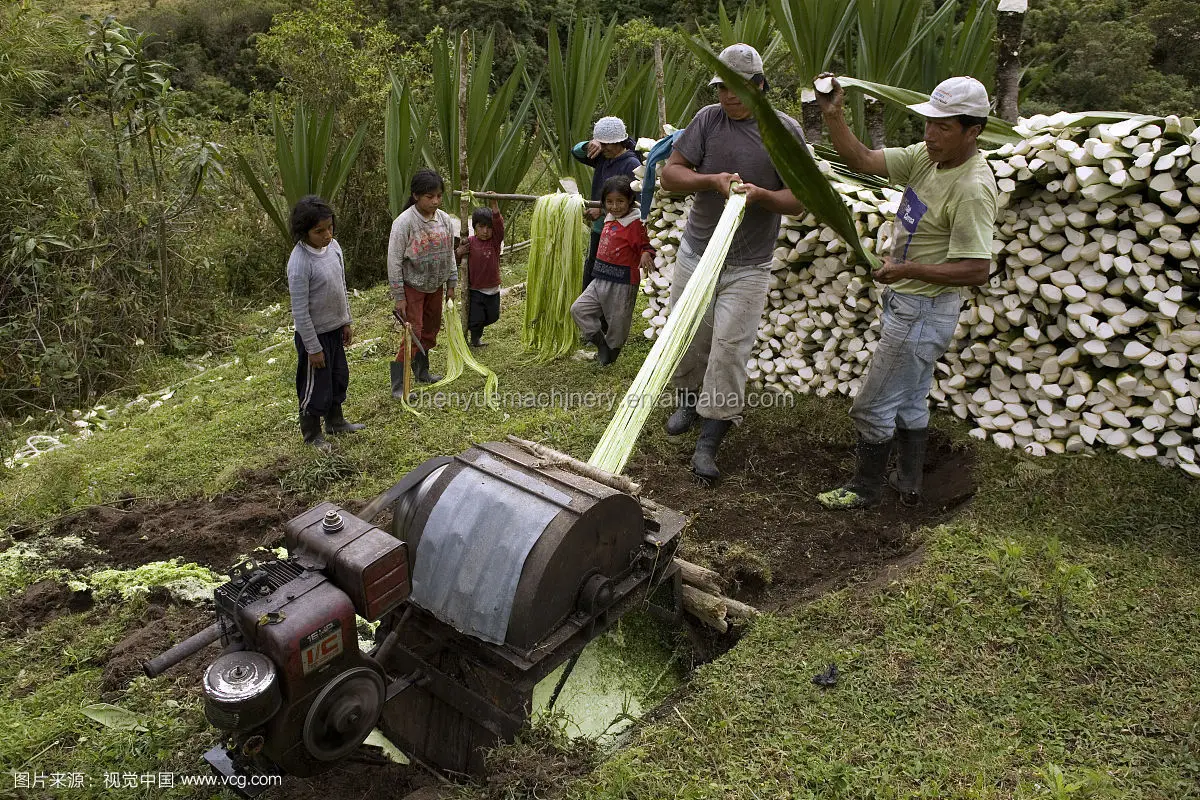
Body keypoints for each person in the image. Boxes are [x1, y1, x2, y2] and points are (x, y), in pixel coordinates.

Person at [813, 75, 998, 509]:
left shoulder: (971, 189)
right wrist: (834, 115)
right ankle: (910, 480)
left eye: (944, 127)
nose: (930, 135)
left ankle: (865, 487)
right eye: (929, 123)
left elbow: (977, 268)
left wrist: (907, 268)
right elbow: (861, 159)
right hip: (911, 301)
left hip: (923, 309)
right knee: (911, 398)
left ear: (973, 132)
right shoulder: (926, 158)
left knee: (871, 406)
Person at [659, 43, 805, 483]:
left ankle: (711, 435)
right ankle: (687, 399)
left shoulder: (784, 131)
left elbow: (798, 200)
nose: (728, 97)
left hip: (748, 264)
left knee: (730, 349)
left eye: (737, 88)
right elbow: (670, 175)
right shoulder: (708, 120)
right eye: (721, 87)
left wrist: (761, 196)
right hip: (697, 253)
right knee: (689, 337)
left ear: (760, 86)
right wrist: (711, 181)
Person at [287, 195, 365, 451]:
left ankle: (336, 421)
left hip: (334, 330)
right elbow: (299, 310)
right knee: (315, 386)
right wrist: (313, 347)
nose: (327, 235)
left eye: (330, 227)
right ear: (304, 231)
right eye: (319, 231)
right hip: (314, 336)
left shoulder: (334, 248)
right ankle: (312, 434)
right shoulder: (300, 262)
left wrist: (346, 321)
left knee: (337, 378)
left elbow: (340, 287)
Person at [571, 176, 654, 366]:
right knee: (579, 309)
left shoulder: (636, 223)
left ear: (630, 201)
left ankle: (610, 356)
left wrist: (646, 253)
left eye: (620, 201)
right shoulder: (609, 216)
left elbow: (648, 244)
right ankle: (602, 346)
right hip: (599, 279)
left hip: (622, 283)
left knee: (618, 324)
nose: (615, 206)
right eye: (609, 202)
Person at [388, 169, 457, 394]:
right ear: (416, 196)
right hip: (413, 287)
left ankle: (422, 372)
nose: (435, 201)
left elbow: (450, 253)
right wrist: (399, 296)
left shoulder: (445, 220)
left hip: (435, 285)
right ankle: (399, 384)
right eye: (430, 197)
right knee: (413, 332)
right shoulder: (404, 223)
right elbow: (394, 261)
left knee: (430, 329)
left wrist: (451, 284)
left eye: (438, 196)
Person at [573, 116, 643, 292]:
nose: (603, 148)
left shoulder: (631, 164)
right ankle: (593, 315)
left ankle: (606, 316)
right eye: (601, 144)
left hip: (619, 232)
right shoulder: (602, 157)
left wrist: (603, 210)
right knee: (592, 272)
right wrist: (592, 143)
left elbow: (635, 205)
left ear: (620, 142)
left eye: (606, 144)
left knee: (609, 278)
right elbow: (576, 152)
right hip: (599, 229)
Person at [454, 199, 504, 348]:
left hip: (493, 288)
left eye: (489, 227)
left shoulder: (494, 242)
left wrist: (494, 206)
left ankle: (474, 327)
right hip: (475, 289)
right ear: (474, 227)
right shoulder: (469, 242)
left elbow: (499, 227)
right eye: (481, 227)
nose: (485, 231)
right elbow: (456, 258)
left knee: (493, 316)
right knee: (477, 318)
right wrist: (459, 252)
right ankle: (475, 339)